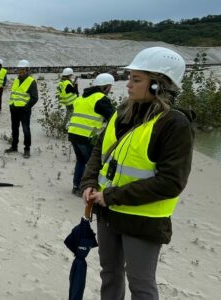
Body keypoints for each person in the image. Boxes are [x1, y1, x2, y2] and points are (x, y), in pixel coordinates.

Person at [80, 47, 194, 299]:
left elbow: (171, 182)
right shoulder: (121, 113)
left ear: (158, 85)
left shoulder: (174, 124)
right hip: (107, 213)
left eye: (136, 79)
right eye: (129, 77)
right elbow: (99, 153)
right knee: (109, 272)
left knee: (140, 284)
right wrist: (88, 183)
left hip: (142, 220)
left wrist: (110, 196)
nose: (128, 84)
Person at [67, 73, 115, 197]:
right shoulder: (101, 99)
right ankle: (89, 189)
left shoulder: (82, 98)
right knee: (92, 164)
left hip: (73, 134)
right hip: (86, 137)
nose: (110, 90)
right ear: (105, 87)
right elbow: (114, 118)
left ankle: (76, 186)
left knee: (81, 161)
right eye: (110, 87)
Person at [5, 59, 38, 158]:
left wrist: (26, 107)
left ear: (27, 70)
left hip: (24, 111)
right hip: (14, 108)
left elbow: (34, 98)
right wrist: (11, 105)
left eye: (23, 69)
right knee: (14, 129)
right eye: (19, 69)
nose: (21, 71)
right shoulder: (16, 80)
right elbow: (14, 94)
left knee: (26, 129)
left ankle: (27, 149)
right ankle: (14, 146)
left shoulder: (31, 81)